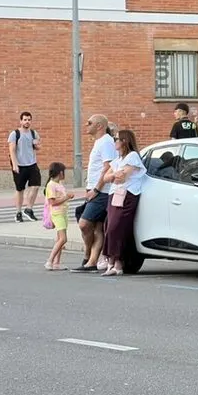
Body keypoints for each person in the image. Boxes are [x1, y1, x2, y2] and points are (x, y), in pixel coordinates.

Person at [74, 115, 118, 272]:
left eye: (89, 123)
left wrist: (97, 189)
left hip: (101, 192)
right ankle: (91, 261)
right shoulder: (100, 142)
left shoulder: (106, 142)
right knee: (97, 228)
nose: (86, 125)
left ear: (99, 126)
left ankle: (87, 256)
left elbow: (108, 167)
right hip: (94, 190)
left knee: (84, 223)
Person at [100, 129, 147, 276]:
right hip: (115, 194)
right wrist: (114, 174)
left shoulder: (132, 156)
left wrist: (114, 175)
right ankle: (112, 261)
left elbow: (123, 177)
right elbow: (106, 178)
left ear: (124, 141)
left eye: (117, 139)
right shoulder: (118, 160)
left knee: (118, 227)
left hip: (127, 194)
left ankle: (118, 261)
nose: (115, 142)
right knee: (109, 226)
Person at [7, 111, 42, 222]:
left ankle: (29, 209)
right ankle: (18, 212)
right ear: (21, 121)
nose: (27, 122)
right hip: (20, 165)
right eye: (25, 119)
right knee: (20, 189)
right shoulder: (15, 134)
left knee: (36, 186)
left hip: (32, 164)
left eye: (29, 119)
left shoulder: (33, 133)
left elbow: (37, 147)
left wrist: (37, 145)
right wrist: (15, 164)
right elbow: (12, 150)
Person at [44, 162, 74, 271]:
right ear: (60, 173)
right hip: (57, 214)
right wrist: (66, 197)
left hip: (63, 213)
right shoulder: (51, 185)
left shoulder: (58, 184)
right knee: (63, 239)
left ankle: (57, 262)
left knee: (59, 238)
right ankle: (50, 260)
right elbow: (53, 202)